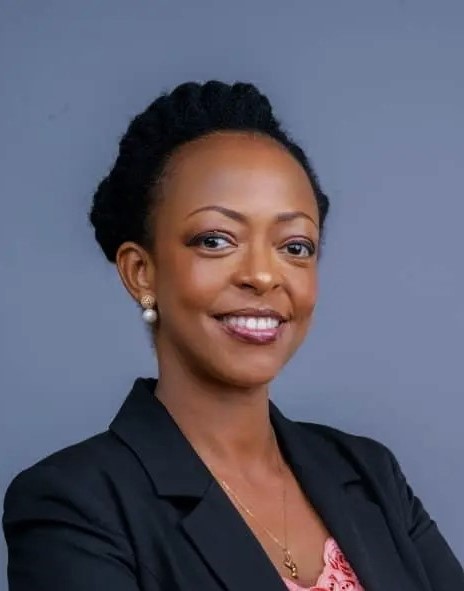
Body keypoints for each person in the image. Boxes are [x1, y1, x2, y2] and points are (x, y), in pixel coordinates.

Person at [3, 80, 463, 591]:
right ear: (141, 272)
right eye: (216, 240)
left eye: (295, 247)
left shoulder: (370, 474)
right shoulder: (75, 505)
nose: (263, 276)